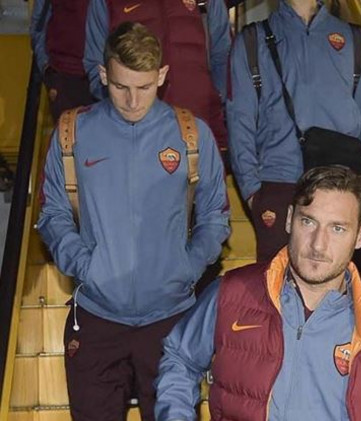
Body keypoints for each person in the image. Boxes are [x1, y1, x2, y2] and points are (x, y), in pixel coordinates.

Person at [37, 22, 230, 421]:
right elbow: (53, 214)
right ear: (103, 74)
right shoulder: (73, 133)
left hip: (170, 318)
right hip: (97, 317)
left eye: (144, 87)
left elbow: (215, 216)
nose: (132, 100)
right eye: (121, 86)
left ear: (162, 75)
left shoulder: (191, 135)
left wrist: (187, 266)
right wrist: (86, 266)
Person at [155, 166, 361, 421]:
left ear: (360, 236)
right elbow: (180, 359)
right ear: (290, 219)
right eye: (308, 222)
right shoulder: (232, 293)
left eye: (337, 228)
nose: (318, 244)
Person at [227, 0, 361, 291]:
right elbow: (239, 120)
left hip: (347, 182)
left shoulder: (353, 39)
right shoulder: (252, 40)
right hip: (281, 181)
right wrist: (252, 192)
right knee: (281, 292)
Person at [83, 0, 231, 152]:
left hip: (197, 125)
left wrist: (216, 98)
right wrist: (123, 106)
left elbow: (223, 58)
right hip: (132, 134)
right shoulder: (105, 3)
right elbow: (96, 66)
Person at [30, 0, 96, 121]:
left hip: (110, 76)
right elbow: (38, 25)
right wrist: (47, 68)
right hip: (65, 78)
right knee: (69, 132)